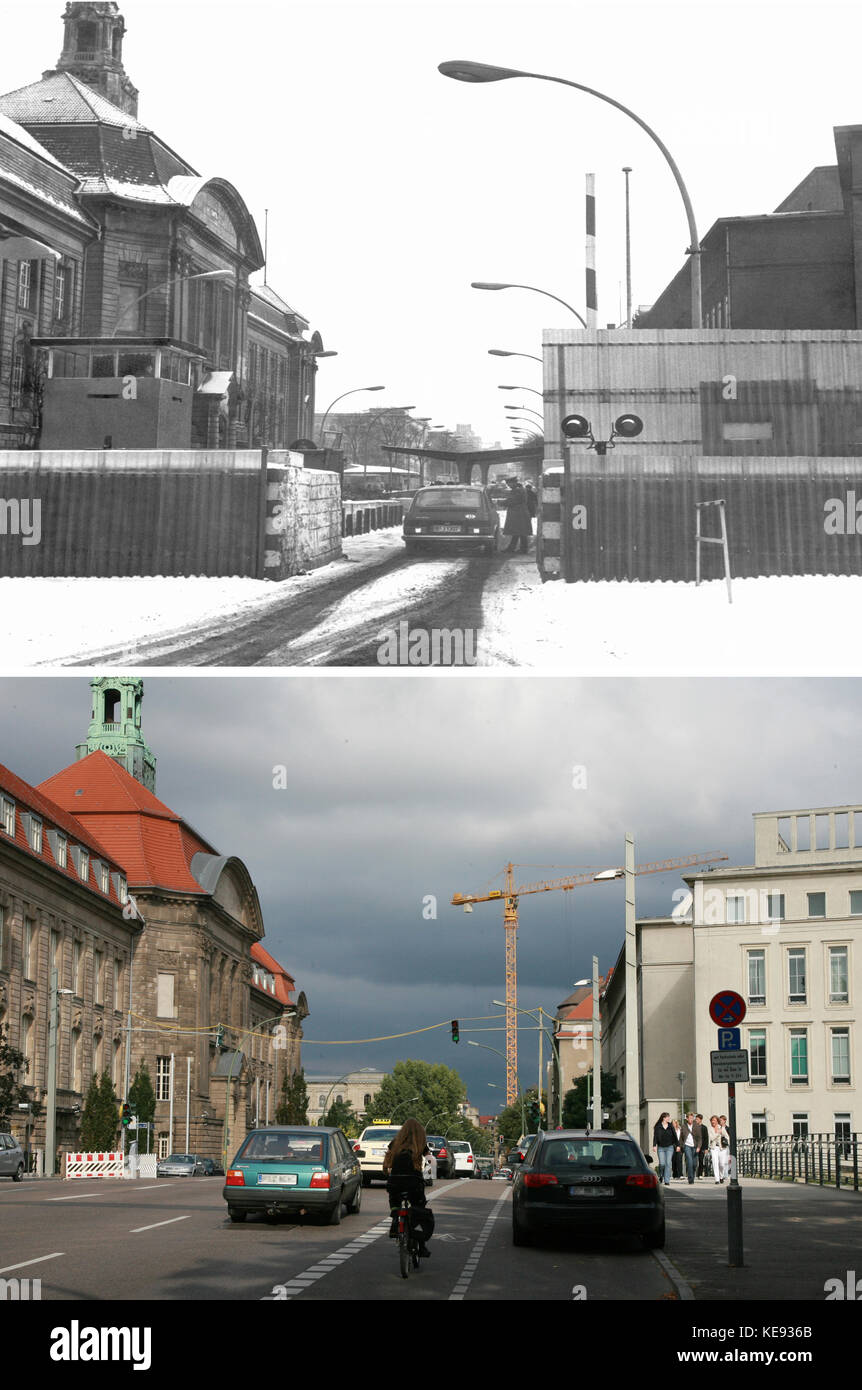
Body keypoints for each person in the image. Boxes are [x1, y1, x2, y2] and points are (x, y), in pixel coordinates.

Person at [382, 1117, 435, 1257]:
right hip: (413, 1181)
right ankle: (422, 1246)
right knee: (419, 1205)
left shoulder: (396, 1142)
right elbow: (430, 1159)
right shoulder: (420, 1143)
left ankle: (395, 1217)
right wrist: (431, 1172)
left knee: (394, 1197)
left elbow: (387, 1158)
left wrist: (387, 1172)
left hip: (395, 1180)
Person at [503, 477, 532, 554]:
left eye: (509, 484)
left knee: (520, 532)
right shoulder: (519, 489)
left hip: (519, 514)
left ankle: (522, 549)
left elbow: (512, 501)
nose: (508, 485)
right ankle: (515, 548)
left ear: (514, 483)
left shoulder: (518, 491)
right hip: (519, 513)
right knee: (518, 532)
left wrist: (500, 502)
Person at [652, 1112, 676, 1186]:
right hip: (661, 1147)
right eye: (667, 1117)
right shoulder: (658, 1126)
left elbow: (675, 1135)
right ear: (663, 1118)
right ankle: (661, 1175)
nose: (669, 1118)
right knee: (662, 1164)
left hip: (670, 1147)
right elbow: (655, 1136)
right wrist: (654, 1145)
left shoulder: (670, 1126)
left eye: (669, 1117)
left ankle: (667, 1180)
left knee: (668, 1163)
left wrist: (678, 1145)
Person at [708, 1114, 728, 1183]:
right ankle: (717, 1179)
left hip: (722, 1148)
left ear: (717, 1121)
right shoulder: (710, 1129)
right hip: (714, 1148)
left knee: (722, 1164)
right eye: (711, 1120)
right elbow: (711, 1138)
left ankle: (721, 1176)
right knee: (715, 1163)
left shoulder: (721, 1127)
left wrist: (726, 1142)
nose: (712, 1122)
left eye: (714, 1120)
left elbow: (727, 1137)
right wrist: (717, 1133)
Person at [679, 1112, 698, 1184]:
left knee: (694, 1164)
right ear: (687, 1119)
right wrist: (680, 1146)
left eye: (692, 1118)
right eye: (690, 1118)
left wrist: (699, 1146)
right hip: (687, 1146)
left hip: (695, 1146)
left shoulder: (696, 1126)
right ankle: (690, 1179)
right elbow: (681, 1137)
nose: (691, 1119)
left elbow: (700, 1138)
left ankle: (692, 1175)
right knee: (689, 1162)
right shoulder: (684, 1126)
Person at [692, 1113, 708, 1178]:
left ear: (701, 1120)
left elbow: (706, 1138)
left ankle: (700, 1174)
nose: (696, 1120)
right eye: (696, 1119)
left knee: (701, 1160)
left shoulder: (704, 1128)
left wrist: (706, 1148)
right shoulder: (693, 1127)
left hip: (702, 1147)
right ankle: (692, 1173)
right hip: (694, 1146)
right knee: (694, 1161)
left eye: (697, 1119)